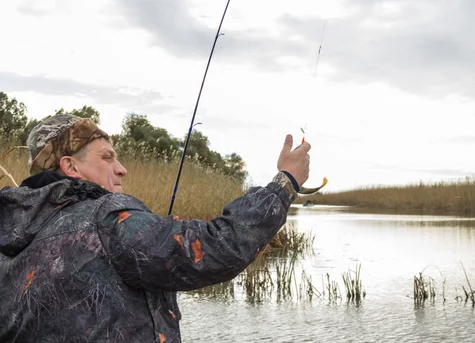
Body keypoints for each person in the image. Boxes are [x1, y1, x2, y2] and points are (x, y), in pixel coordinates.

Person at [0, 114, 310, 342]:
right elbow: (215, 249)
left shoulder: (10, 236)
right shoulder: (105, 220)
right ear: (70, 167)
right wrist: (286, 182)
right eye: (107, 157)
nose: (121, 168)